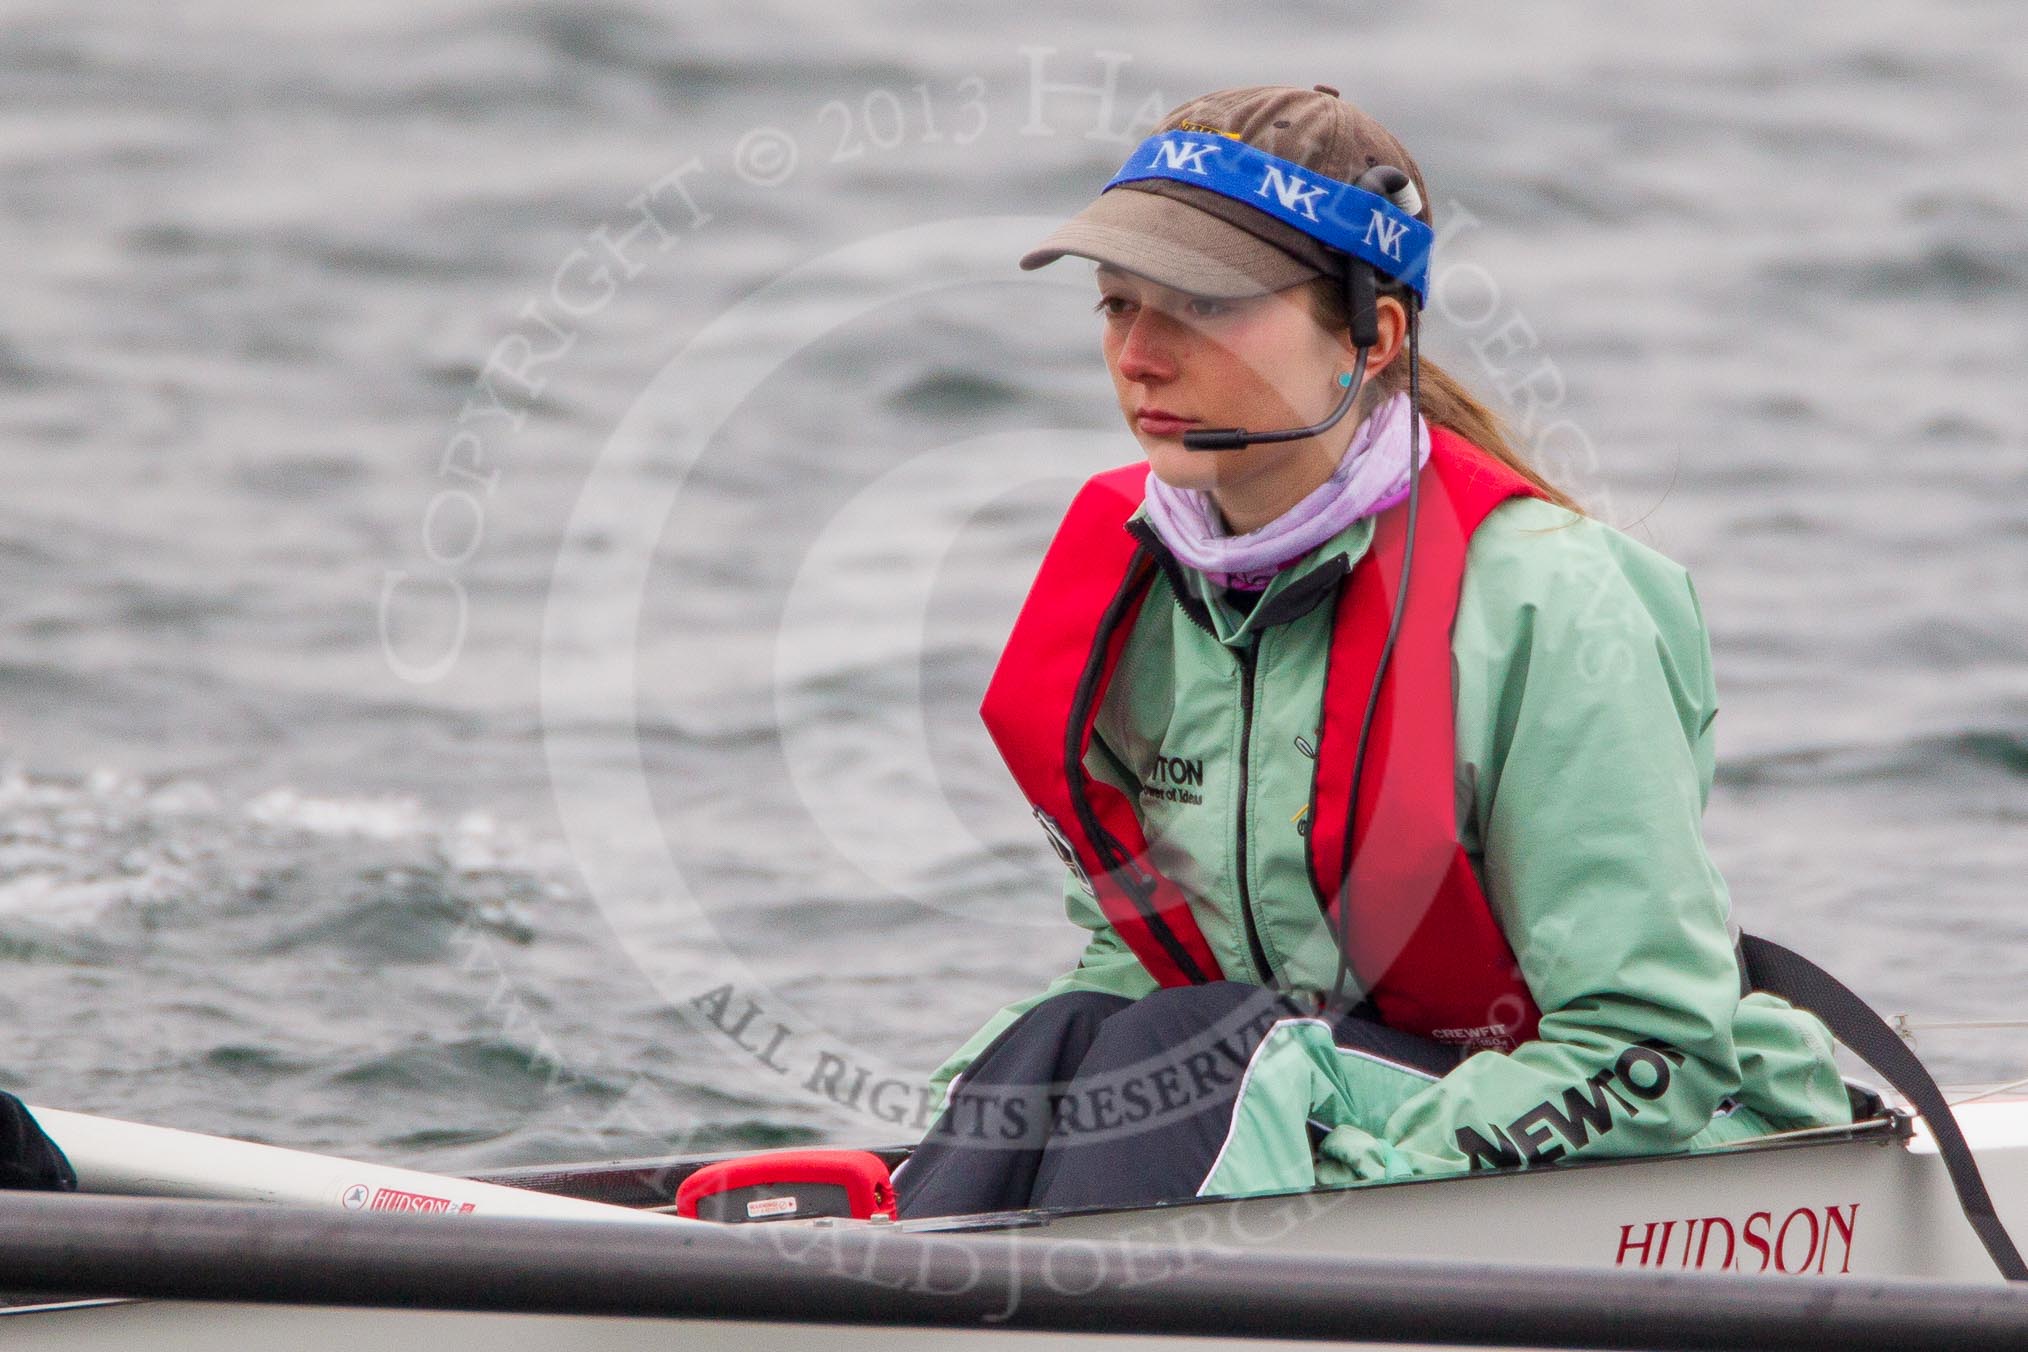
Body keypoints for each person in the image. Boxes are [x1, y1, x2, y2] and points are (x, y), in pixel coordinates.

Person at [893, 85, 1852, 1219]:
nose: (1139, 357)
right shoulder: (1133, 596)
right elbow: (1132, 976)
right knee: (1073, 1035)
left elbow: (1652, 1050)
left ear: (1373, 336)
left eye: (1201, 305)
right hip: (1286, 1104)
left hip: (1635, 1136)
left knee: (1201, 1045)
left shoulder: (1552, 601)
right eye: (1115, 305)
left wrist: (1347, 1186)